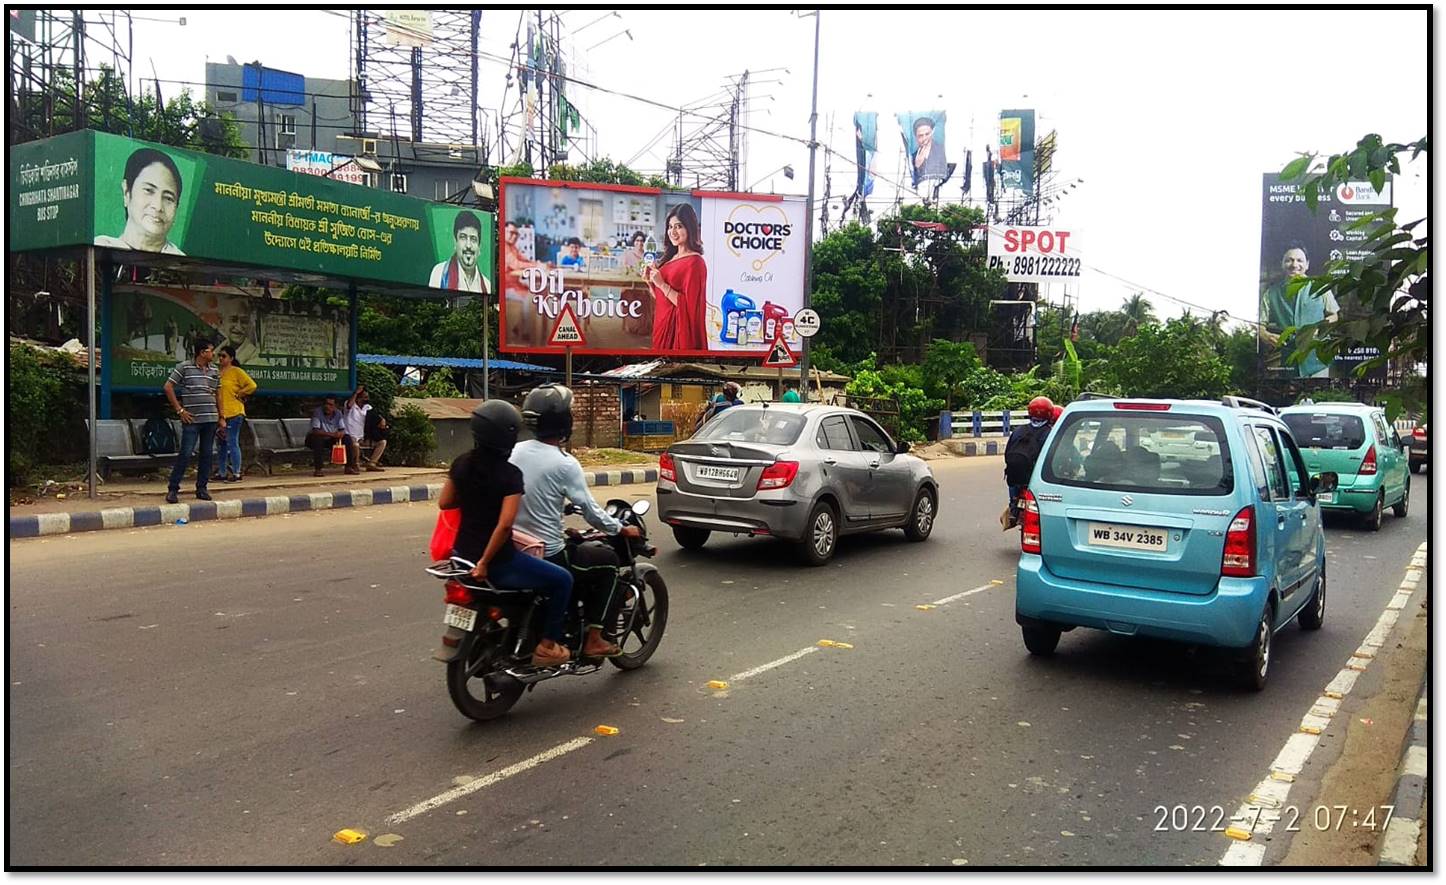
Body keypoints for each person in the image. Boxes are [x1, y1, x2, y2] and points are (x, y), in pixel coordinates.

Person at [510, 385, 642, 659]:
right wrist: (620, 528)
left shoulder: (515, 451)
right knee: (608, 561)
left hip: (514, 544)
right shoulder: (565, 464)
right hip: (549, 553)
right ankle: (594, 639)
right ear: (563, 421)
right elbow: (591, 511)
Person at [439, 400, 573, 667]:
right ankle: (547, 646)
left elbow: (445, 502)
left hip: (461, 557)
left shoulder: (461, 463)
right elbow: (503, 526)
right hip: (498, 563)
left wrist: (474, 498)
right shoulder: (509, 474)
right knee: (563, 580)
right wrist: (485, 562)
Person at [1260, 243, 1340, 378]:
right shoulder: (1271, 294)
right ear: (1282, 264)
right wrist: (1265, 335)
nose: (1294, 264)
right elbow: (1259, 325)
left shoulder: (1320, 286)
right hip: (1289, 363)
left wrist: (1319, 328)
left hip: (1318, 362)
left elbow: (1334, 316)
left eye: (1299, 260)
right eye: (1289, 260)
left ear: (1307, 264)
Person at [162, 337, 221, 504]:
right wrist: (180, 410)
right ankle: (173, 488)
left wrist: (221, 416)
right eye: (211, 350)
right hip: (192, 420)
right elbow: (168, 387)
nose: (213, 353)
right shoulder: (184, 367)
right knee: (186, 453)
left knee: (207, 454)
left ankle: (202, 488)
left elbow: (218, 393)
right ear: (202, 352)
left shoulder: (214, 370)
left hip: (210, 418)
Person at [94, 148, 186, 254]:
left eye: (168, 198)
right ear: (126, 192)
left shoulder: (184, 262)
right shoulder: (98, 248)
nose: (158, 206)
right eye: (149, 190)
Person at [643, 203, 707, 351]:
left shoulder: (695, 262)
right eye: (670, 227)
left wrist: (662, 284)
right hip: (662, 326)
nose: (673, 232)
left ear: (690, 228)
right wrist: (650, 282)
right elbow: (663, 299)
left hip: (678, 334)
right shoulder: (671, 258)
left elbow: (690, 308)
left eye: (678, 226)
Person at [1001, 396, 1055, 530]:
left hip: (1014, 477)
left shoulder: (1018, 431)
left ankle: (1013, 507)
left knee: (1013, 478)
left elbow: (1007, 454)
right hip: (1034, 478)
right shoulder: (1050, 433)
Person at [212, 345, 257, 483]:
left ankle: (237, 472)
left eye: (224, 356)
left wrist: (240, 393)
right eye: (219, 356)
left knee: (232, 441)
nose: (221, 358)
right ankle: (222, 472)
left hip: (234, 412)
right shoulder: (217, 372)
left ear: (231, 358)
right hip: (221, 413)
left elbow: (252, 385)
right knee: (221, 444)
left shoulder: (236, 371)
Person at [428, 211, 489, 294]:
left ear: (479, 247)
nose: (468, 245)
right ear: (455, 242)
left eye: (473, 239)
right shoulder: (439, 273)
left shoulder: (487, 286)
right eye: (463, 237)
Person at [306, 396, 357, 477]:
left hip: (331, 439)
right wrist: (332, 434)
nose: (327, 406)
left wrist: (340, 434)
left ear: (335, 406)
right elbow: (316, 431)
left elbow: (342, 429)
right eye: (326, 404)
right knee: (317, 440)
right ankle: (318, 469)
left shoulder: (338, 413)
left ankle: (349, 467)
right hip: (316, 438)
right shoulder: (318, 412)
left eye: (330, 405)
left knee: (347, 438)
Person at [342, 385, 384, 472]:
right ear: (358, 398)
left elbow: (375, 416)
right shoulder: (350, 404)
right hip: (350, 436)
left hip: (362, 437)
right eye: (364, 397)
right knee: (355, 445)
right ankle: (355, 464)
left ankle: (371, 463)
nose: (366, 399)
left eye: (367, 397)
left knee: (382, 442)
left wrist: (382, 420)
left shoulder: (368, 407)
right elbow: (349, 405)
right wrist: (356, 393)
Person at [909, 116, 949, 188]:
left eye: (927, 134)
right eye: (920, 136)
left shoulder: (942, 151)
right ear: (916, 137)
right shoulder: (913, 156)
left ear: (932, 133)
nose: (924, 138)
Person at [363, 405, 390, 471]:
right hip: (362, 439)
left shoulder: (378, 426)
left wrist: (383, 428)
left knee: (383, 442)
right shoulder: (371, 424)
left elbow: (383, 437)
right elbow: (376, 436)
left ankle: (372, 463)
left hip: (369, 440)